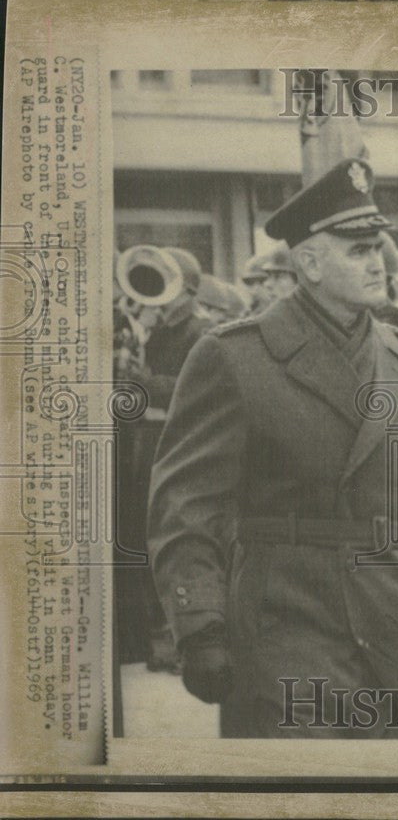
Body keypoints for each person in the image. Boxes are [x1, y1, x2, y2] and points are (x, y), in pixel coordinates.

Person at [147, 158, 398, 739]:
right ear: (310, 263)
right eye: (358, 250)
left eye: (379, 247)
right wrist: (200, 627)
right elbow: (184, 506)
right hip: (288, 626)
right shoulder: (236, 357)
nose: (378, 263)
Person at [116, 244, 215, 673]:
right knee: (143, 536)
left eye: (167, 286)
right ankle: (155, 638)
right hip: (146, 441)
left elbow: (194, 387)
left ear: (188, 291)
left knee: (173, 539)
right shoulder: (153, 329)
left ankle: (179, 639)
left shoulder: (202, 331)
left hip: (176, 444)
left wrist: (144, 380)